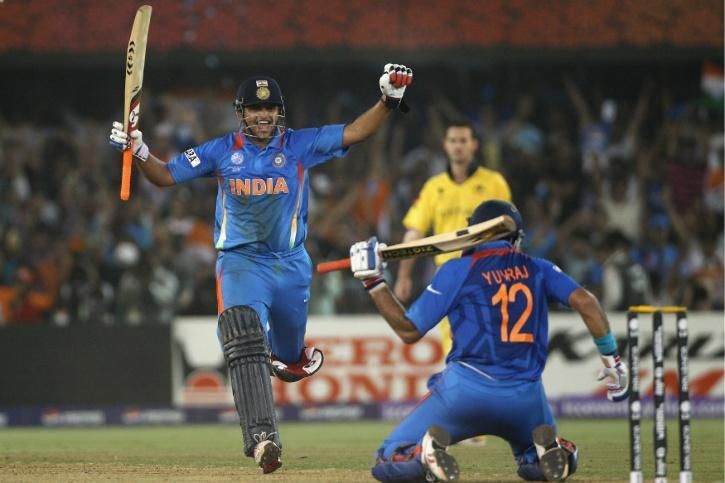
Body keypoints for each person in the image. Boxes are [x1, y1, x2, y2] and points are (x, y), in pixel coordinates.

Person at [110, 63, 414, 474]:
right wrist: (140, 151)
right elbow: (164, 176)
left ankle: (290, 359)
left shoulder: (298, 145)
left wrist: (387, 101)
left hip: (291, 265)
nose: (264, 116)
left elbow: (356, 132)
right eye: (255, 109)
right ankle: (261, 439)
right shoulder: (221, 150)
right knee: (242, 331)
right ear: (242, 113)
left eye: (269, 109)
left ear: (279, 112)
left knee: (289, 359)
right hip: (241, 263)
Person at [349, 200, 629, 482]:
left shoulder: (456, 270)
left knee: (387, 457)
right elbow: (587, 302)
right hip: (526, 400)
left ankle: (423, 455)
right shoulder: (538, 268)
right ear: (515, 239)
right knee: (532, 464)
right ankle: (555, 451)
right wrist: (613, 362)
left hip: (465, 394)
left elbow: (408, 331)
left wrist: (373, 280)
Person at [394, 120, 512, 354]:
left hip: (486, 272)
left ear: (474, 145)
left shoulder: (494, 183)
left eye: (463, 141)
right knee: (453, 342)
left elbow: (509, 231)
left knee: (488, 338)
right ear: (445, 146)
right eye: (453, 141)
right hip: (447, 274)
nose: (458, 146)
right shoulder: (433, 187)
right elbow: (415, 232)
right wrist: (404, 275)